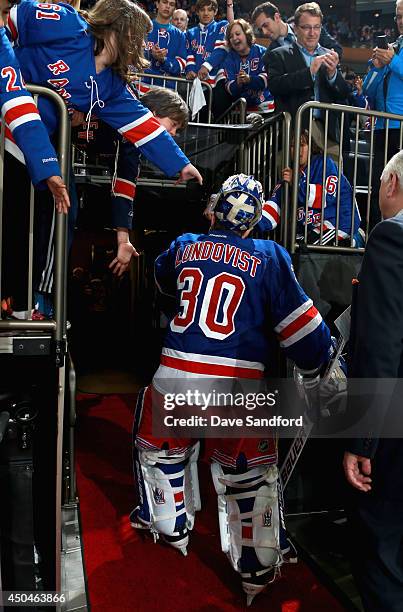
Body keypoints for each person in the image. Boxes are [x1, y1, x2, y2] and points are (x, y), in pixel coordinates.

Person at [130, 173, 332, 605]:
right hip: (237, 386)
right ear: (255, 218)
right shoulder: (271, 256)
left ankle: (171, 525)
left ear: (216, 208)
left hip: (175, 375)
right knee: (251, 478)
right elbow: (305, 335)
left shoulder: (185, 244)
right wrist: (321, 364)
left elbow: (165, 281)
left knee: (161, 451)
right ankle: (255, 572)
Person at [6, 0, 202, 311]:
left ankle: (33, 300)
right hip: (14, 116)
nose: (143, 46)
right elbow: (14, 17)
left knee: (55, 210)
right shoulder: (69, 25)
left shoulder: (111, 85)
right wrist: (11, 74)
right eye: (140, 37)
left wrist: (181, 163)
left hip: (36, 138)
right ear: (123, 30)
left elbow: (140, 126)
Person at [343, 150, 403, 612]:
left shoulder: (390, 238)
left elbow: (381, 349)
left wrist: (361, 440)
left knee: (381, 546)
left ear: (391, 186)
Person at [108, 87, 190, 276]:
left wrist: (123, 240)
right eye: (173, 124)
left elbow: (123, 188)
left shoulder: (132, 147)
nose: (174, 133)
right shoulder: (118, 97)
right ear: (153, 114)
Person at [265, 3, 350, 158]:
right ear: (296, 28)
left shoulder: (329, 55)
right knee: (293, 181)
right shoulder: (277, 55)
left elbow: (344, 93)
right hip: (294, 133)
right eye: (306, 27)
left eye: (316, 27)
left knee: (330, 180)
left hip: (327, 133)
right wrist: (309, 73)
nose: (312, 33)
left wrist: (333, 75)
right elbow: (275, 86)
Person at [258, 130, 364, 247]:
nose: (298, 150)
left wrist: (296, 183)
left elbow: (326, 197)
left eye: (302, 145)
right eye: (293, 146)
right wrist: (251, 221)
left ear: (311, 147)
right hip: (310, 230)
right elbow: (274, 206)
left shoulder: (325, 163)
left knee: (308, 244)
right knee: (288, 246)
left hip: (339, 223)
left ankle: (356, 239)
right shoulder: (290, 175)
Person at [362, 0, 403, 228]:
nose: (401, 21)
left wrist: (393, 61)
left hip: (401, 127)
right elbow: (367, 89)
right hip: (381, 128)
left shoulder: (394, 54)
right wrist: (378, 66)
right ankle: (377, 233)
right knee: (379, 186)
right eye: (398, 16)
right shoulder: (392, 46)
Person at [185, 0, 232, 118]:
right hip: (199, 82)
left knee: (220, 119)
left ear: (215, 12)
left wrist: (206, 66)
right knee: (200, 119)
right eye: (202, 10)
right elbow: (189, 54)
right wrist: (190, 69)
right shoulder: (190, 32)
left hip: (218, 80)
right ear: (197, 12)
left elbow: (221, 50)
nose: (206, 13)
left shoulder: (222, 26)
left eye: (210, 10)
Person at [251, 1, 342, 59]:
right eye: (260, 29)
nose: (264, 32)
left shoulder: (309, 25)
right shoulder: (269, 55)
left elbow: (337, 49)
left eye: (266, 25)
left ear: (276, 17)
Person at [223, 18, 274, 112]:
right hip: (240, 111)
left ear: (247, 34)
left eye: (238, 34)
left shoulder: (262, 52)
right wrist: (237, 83)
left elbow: (268, 79)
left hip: (265, 107)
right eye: (231, 36)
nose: (234, 38)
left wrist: (250, 79)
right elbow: (228, 87)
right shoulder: (228, 58)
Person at [144, 0, 187, 87]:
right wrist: (150, 54)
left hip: (167, 89)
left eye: (171, 4)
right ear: (157, 4)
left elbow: (180, 66)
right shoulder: (144, 28)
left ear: (174, 9)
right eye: (164, 2)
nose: (167, 6)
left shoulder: (180, 35)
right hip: (143, 85)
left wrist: (164, 60)